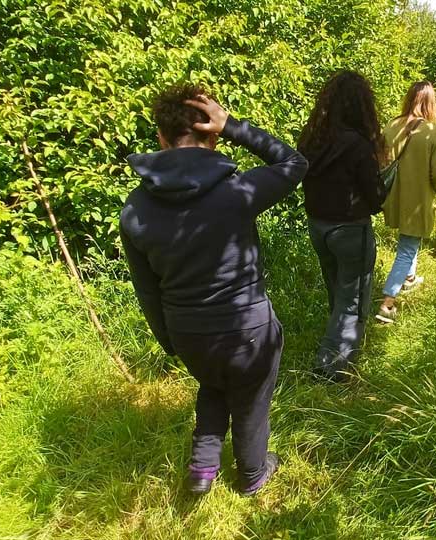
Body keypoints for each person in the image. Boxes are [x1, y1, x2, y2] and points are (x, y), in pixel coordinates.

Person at [120, 84, 308, 496]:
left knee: (214, 382)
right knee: (250, 402)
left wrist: (170, 341)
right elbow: (294, 163)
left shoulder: (134, 209)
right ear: (212, 135)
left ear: (161, 138)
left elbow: (147, 291)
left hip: (187, 331)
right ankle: (253, 474)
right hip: (248, 329)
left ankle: (204, 469)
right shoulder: (237, 191)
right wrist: (235, 126)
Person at [297, 71, 386, 381]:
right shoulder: (359, 145)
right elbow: (375, 199)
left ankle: (335, 352)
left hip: (318, 227)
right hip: (350, 229)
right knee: (353, 299)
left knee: (337, 292)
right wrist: (385, 186)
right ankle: (332, 367)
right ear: (362, 106)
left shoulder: (311, 140)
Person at [376, 81, 436, 324]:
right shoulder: (432, 131)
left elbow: (381, 162)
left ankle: (409, 278)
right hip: (417, 197)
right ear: (431, 102)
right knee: (407, 247)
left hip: (394, 196)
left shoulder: (392, 125)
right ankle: (387, 303)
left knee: (408, 239)